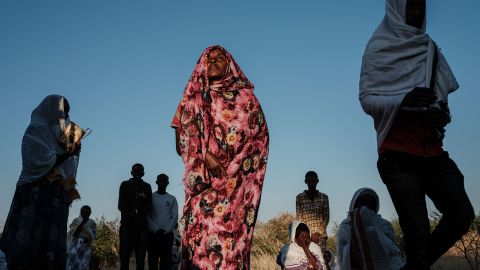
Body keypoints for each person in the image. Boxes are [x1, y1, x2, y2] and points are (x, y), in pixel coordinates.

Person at [359, 0, 475, 268]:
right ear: (397, 8)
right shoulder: (378, 48)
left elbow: (442, 105)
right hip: (397, 155)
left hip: (432, 152)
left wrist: (441, 115)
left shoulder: (430, 49)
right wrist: (403, 100)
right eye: (412, 6)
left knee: (461, 214)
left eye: (422, 6)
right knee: (418, 234)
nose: (419, 12)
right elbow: (366, 99)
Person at [171, 45, 269, 269]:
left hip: (235, 192)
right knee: (200, 247)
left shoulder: (247, 99)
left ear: (230, 65)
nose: (213, 61)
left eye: (220, 58)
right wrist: (204, 154)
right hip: (204, 190)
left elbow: (260, 137)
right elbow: (180, 143)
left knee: (231, 248)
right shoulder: (192, 98)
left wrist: (235, 168)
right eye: (209, 58)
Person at [0, 94, 82, 269]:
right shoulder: (36, 130)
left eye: (66, 114)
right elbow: (40, 163)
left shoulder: (61, 136)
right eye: (62, 112)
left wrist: (73, 149)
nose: (65, 117)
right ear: (51, 110)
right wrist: (68, 153)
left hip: (55, 198)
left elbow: (66, 169)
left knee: (50, 248)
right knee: (28, 243)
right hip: (34, 196)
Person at [336, 188, 405, 270]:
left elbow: (391, 245)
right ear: (354, 203)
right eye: (363, 201)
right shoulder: (345, 224)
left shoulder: (383, 223)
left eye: (370, 203)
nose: (366, 205)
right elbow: (341, 252)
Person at [118, 163, 152, 270]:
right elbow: (120, 205)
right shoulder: (124, 185)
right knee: (124, 259)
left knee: (140, 260)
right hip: (126, 226)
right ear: (131, 172)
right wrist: (132, 213)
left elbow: (149, 206)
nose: (137, 173)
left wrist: (139, 212)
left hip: (141, 228)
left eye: (139, 171)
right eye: (135, 171)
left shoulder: (147, 187)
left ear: (143, 173)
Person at [147, 174, 178, 270]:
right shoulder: (151, 197)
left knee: (165, 263)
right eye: (160, 181)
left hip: (167, 236)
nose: (162, 183)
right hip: (153, 235)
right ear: (156, 182)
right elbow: (147, 215)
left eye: (164, 181)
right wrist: (155, 229)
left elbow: (175, 217)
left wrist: (167, 230)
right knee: (153, 262)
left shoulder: (172, 199)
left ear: (167, 183)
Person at [296, 171, 330, 251]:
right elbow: (299, 219)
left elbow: (326, 217)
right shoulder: (299, 198)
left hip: (321, 237)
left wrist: (318, 233)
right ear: (306, 182)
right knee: (306, 262)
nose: (311, 183)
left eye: (313, 181)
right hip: (305, 237)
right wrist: (306, 235)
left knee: (320, 261)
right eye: (309, 181)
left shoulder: (324, 197)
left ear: (317, 181)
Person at [67, 205, 97, 270]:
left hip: (86, 247)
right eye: (83, 212)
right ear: (80, 212)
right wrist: (82, 222)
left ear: (90, 213)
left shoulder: (92, 222)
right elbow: (73, 233)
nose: (85, 214)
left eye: (87, 212)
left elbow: (93, 236)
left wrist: (88, 239)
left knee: (83, 264)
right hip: (75, 245)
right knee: (72, 263)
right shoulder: (76, 220)